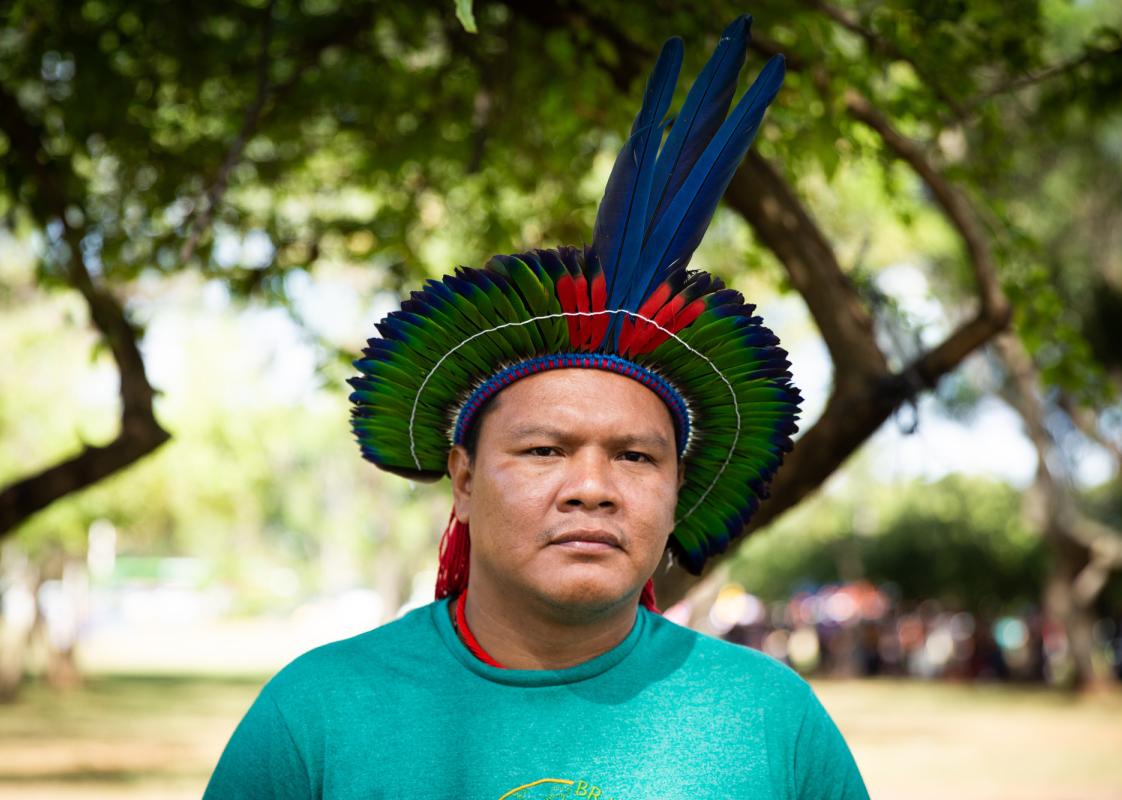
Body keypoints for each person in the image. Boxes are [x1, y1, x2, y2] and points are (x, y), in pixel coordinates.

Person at [205, 16, 869, 799]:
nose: (592, 486)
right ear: (463, 476)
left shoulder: (770, 721)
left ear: (677, 488)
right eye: (545, 450)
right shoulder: (315, 713)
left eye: (635, 456)